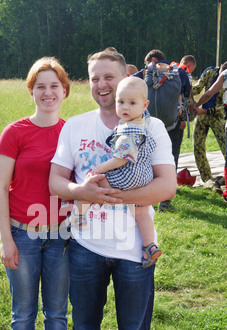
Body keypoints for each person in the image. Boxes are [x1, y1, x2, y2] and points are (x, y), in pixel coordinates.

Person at [49, 47, 176, 330]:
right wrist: (80, 192)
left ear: (125, 80)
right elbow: (56, 180)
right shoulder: (76, 126)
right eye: (95, 78)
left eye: (110, 77)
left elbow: (166, 186)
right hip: (86, 246)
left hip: (134, 250)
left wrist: (116, 196)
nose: (102, 85)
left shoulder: (150, 126)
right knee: (85, 324)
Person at [0, 57, 70, 330]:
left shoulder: (72, 132)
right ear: (31, 91)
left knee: (56, 312)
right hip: (23, 233)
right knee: (23, 311)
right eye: (41, 86)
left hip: (63, 237)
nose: (48, 92)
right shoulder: (15, 132)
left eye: (54, 85)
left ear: (65, 91)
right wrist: (6, 238)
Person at [69, 76, 162, 268]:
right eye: (121, 102)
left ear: (144, 104)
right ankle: (150, 245)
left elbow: (120, 158)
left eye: (131, 103)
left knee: (94, 183)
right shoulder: (145, 120)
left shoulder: (128, 130)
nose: (125, 108)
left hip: (127, 174)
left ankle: (76, 218)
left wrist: (100, 168)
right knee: (141, 211)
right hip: (143, 175)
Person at [135, 50, 191, 211]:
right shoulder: (180, 72)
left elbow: (130, 82)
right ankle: (165, 201)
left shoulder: (146, 72)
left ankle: (146, 197)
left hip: (149, 125)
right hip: (174, 123)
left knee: (148, 159)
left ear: (152, 60)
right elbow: (186, 94)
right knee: (171, 159)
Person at [192, 62, 227, 187]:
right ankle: (207, 180)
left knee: (225, 148)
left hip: (218, 117)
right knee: (198, 147)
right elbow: (199, 87)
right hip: (202, 115)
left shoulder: (225, 78)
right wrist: (187, 92)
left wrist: (204, 110)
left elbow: (223, 106)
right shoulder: (210, 72)